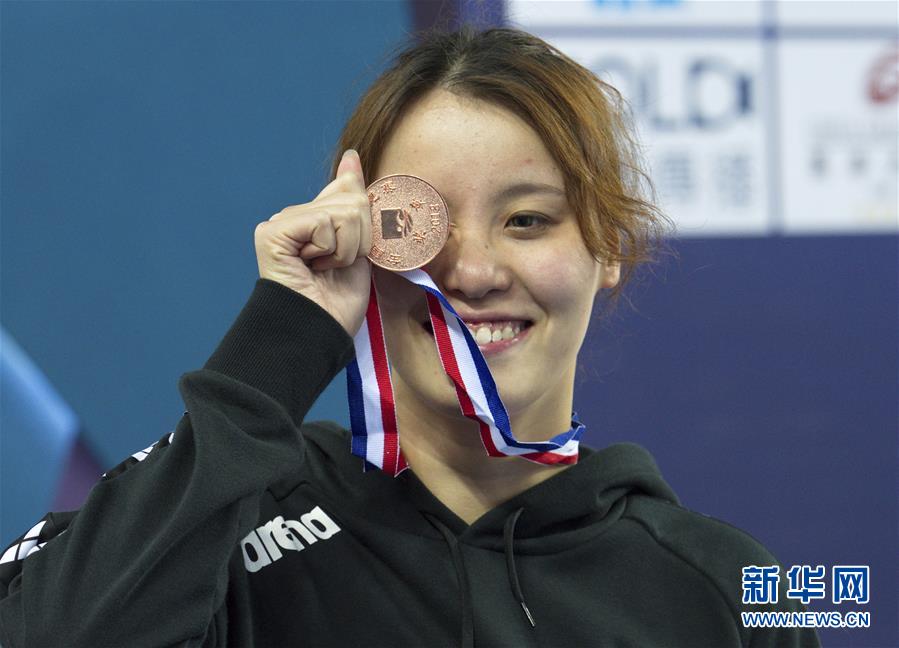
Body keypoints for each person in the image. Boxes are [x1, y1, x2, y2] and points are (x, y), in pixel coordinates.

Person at [0, 27, 819, 647]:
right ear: (358, 239)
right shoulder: (224, 530)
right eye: (413, 224)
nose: (473, 271)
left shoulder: (727, 586)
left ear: (607, 248)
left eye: (526, 220)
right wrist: (279, 339)